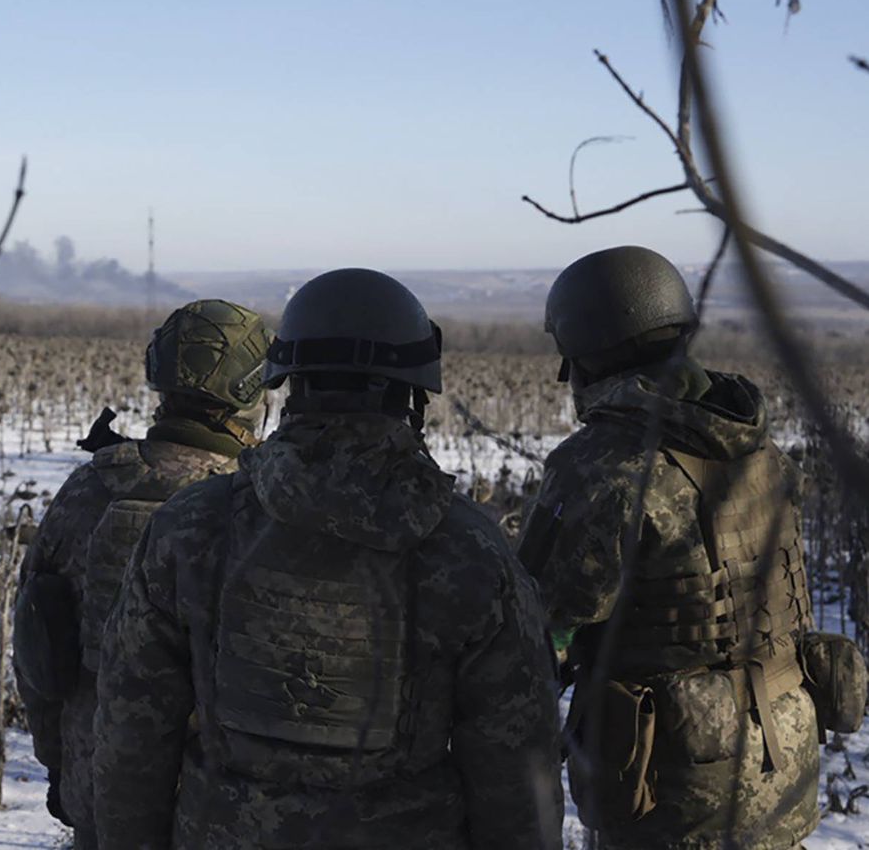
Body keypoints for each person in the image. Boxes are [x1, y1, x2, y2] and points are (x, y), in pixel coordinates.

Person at [93, 268, 564, 850]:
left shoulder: (189, 527)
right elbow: (517, 770)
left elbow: (132, 737)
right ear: (414, 393)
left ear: (285, 381)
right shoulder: (470, 550)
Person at [517, 245, 850, 849]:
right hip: (787, 757)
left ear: (586, 355)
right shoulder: (758, 446)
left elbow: (540, 625)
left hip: (674, 784)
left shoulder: (603, 465)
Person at [12, 299, 273, 850]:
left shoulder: (89, 490)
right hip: (223, 813)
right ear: (251, 393)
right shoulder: (259, 507)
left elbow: (37, 652)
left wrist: (62, 767)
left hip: (99, 795)